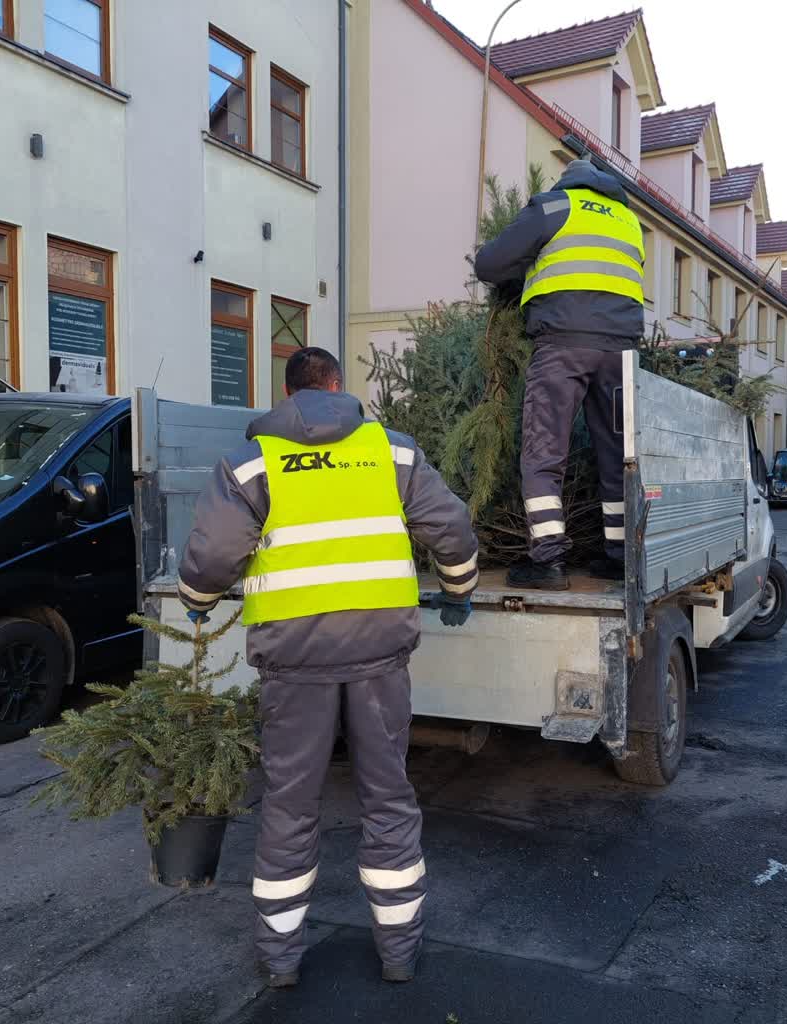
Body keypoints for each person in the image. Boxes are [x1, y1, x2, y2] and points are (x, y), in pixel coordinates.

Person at [177, 347, 479, 988]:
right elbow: (450, 528)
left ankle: (281, 961)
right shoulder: (391, 452)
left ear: (287, 395)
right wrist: (458, 588)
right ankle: (399, 954)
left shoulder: (252, 463)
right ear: (339, 387)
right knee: (389, 798)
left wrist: (197, 605)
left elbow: (211, 558)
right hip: (380, 656)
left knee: (289, 805)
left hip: (294, 663)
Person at [474, 158, 645, 590]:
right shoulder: (629, 220)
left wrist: (526, 270)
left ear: (567, 181)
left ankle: (547, 560)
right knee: (617, 453)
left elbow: (489, 264)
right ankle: (620, 557)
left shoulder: (555, 207)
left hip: (563, 343)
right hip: (622, 353)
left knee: (544, 451)